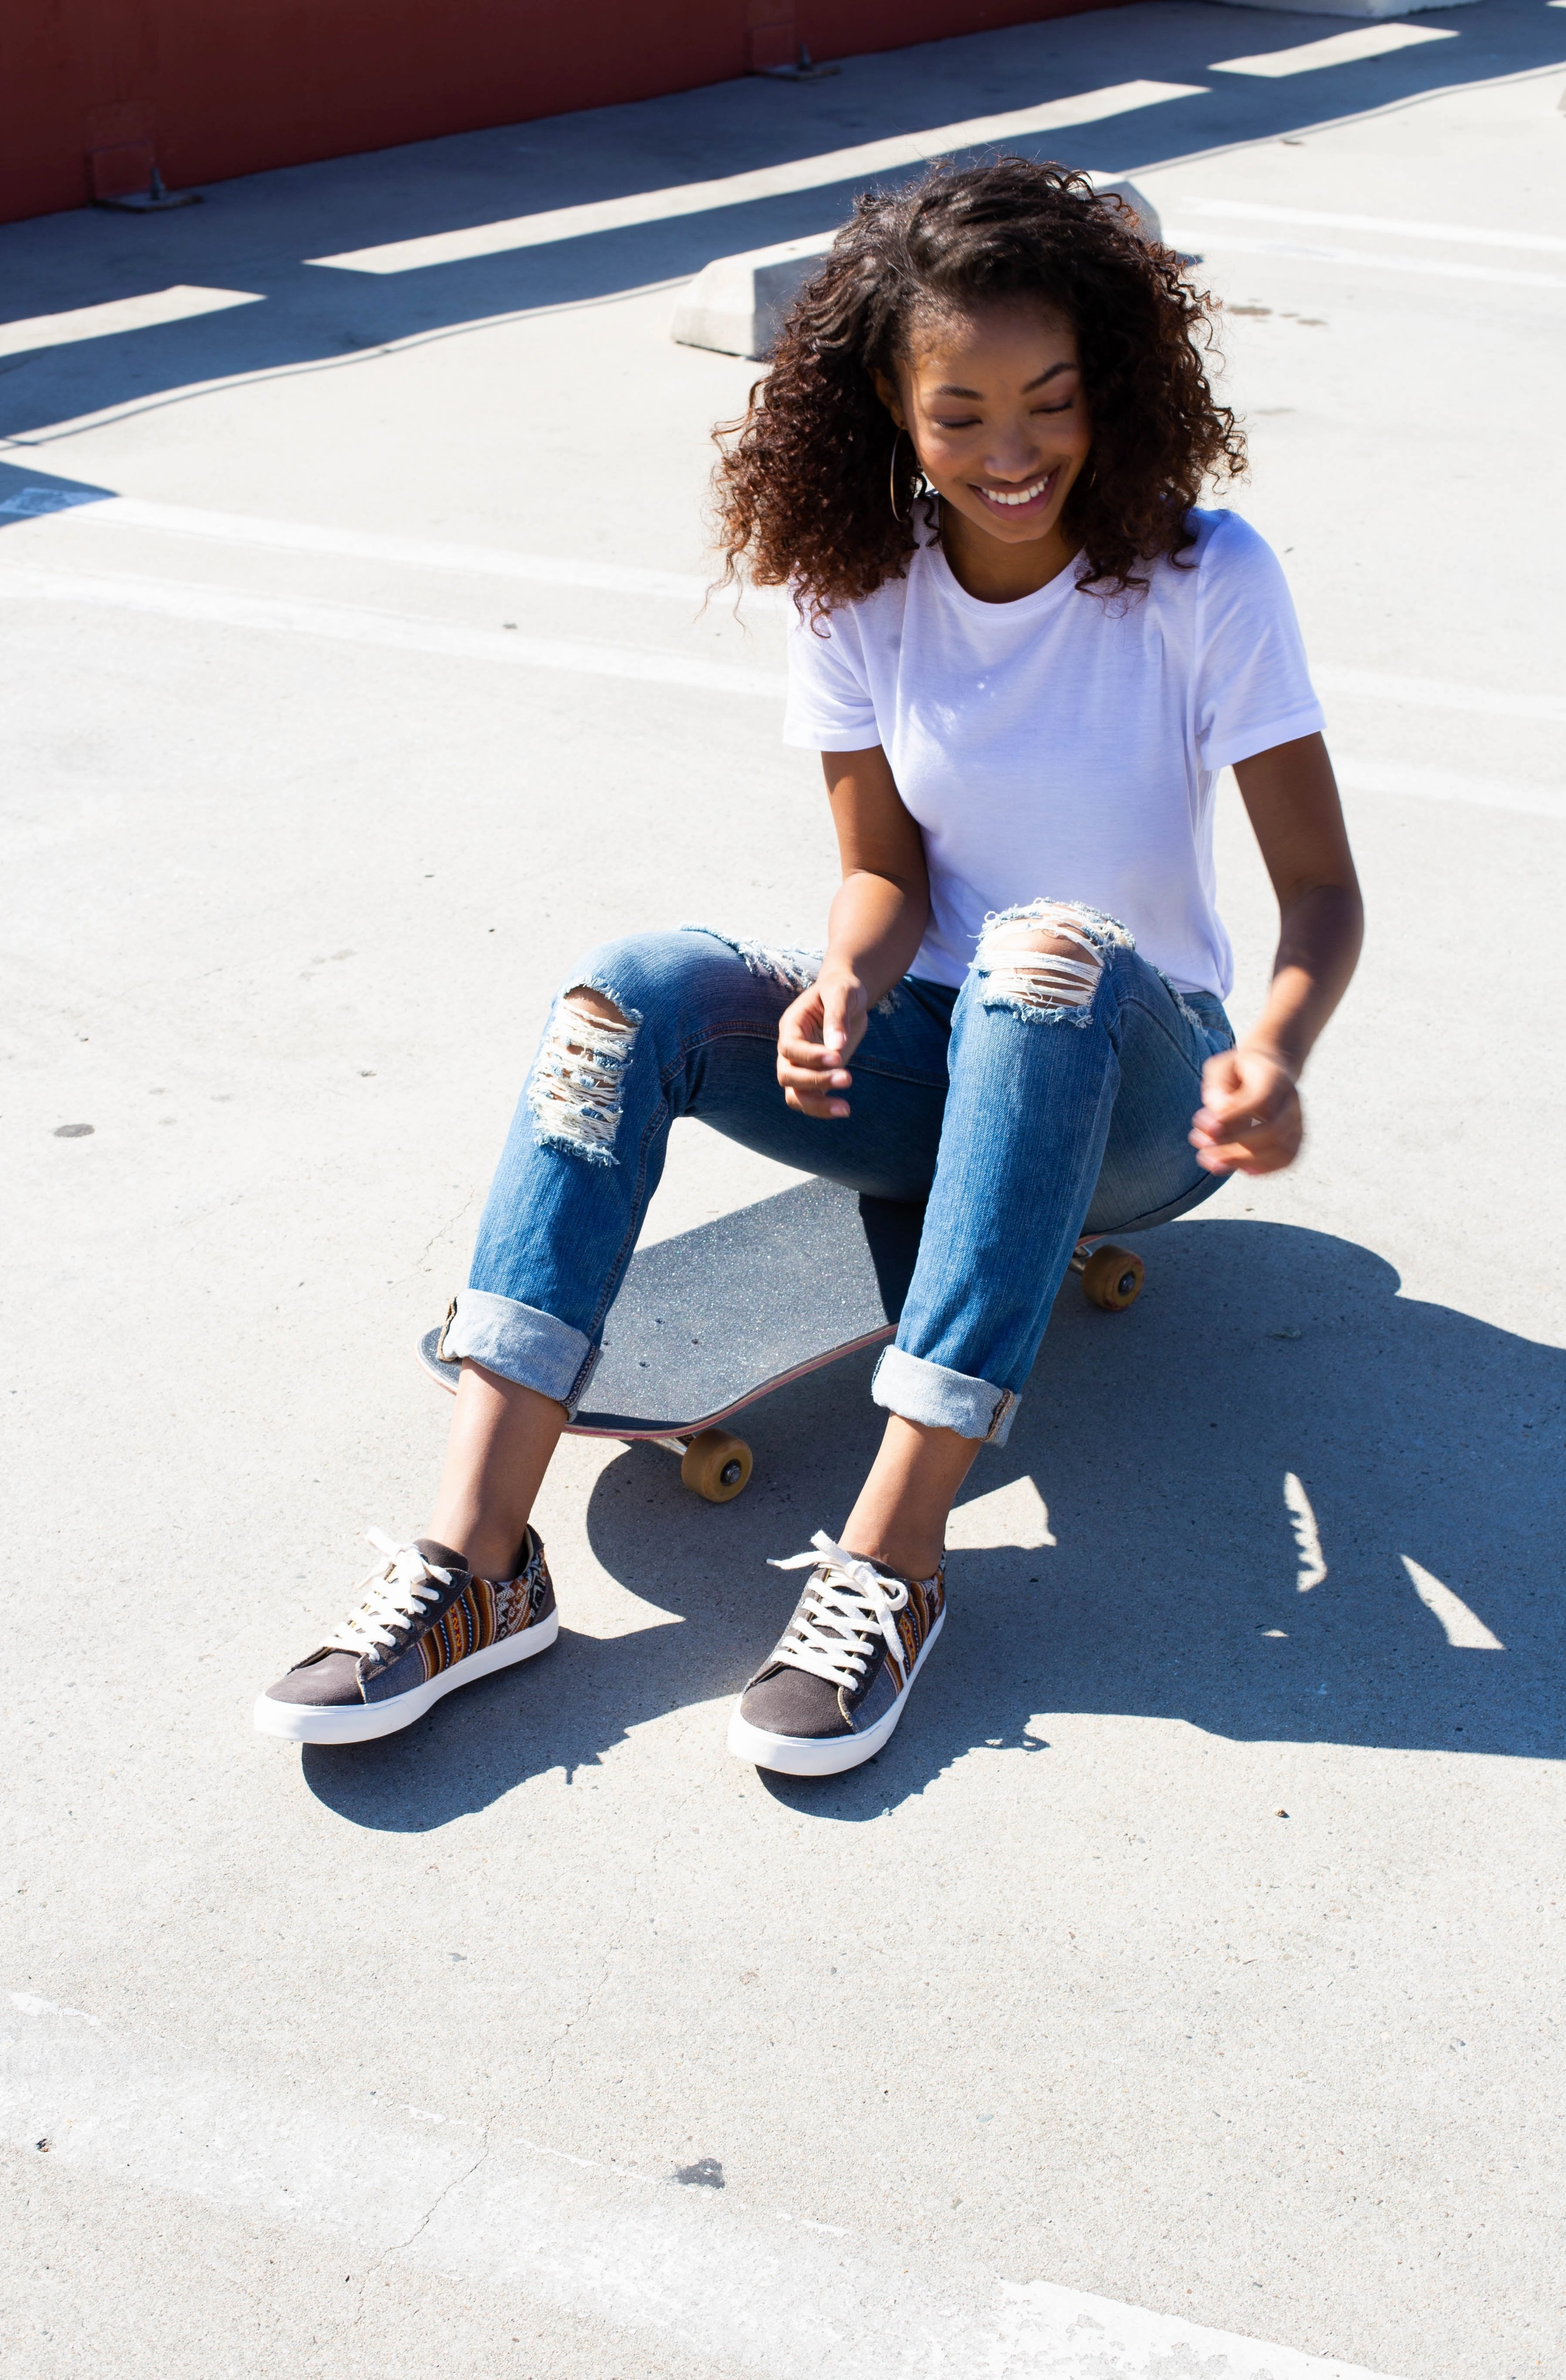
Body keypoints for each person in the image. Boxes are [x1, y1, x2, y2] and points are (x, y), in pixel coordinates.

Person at [254, 160, 1361, 1775]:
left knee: (1044, 956)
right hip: (940, 1052)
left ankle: (893, 1560)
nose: (1009, 454)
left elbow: (1320, 891)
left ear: (1110, 384)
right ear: (889, 413)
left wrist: (1273, 1050)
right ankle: (481, 1557)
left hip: (1139, 1090)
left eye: (1048, 404)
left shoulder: (1208, 576)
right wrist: (844, 980)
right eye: (959, 413)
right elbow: (883, 871)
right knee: (627, 985)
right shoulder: (859, 580)